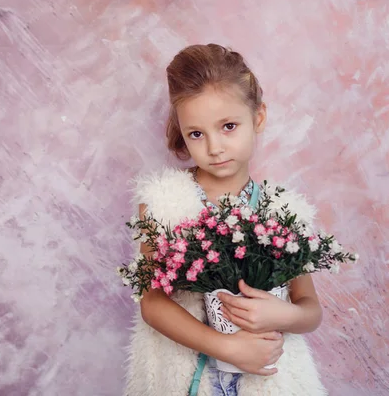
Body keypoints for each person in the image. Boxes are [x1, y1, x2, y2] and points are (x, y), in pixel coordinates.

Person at [125, 43, 327, 395]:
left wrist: (285, 315)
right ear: (183, 134)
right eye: (197, 134)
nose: (214, 147)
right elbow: (152, 302)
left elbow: (310, 308)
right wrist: (225, 347)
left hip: (272, 377)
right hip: (184, 376)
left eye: (229, 126)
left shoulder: (281, 210)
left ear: (258, 118)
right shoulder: (164, 203)